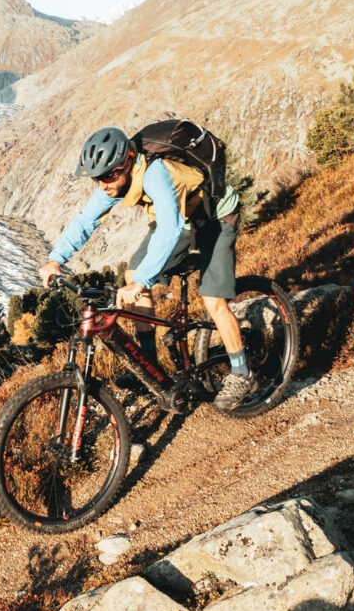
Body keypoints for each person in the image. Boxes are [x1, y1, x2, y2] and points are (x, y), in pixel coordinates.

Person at [36, 126, 251, 410]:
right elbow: (86, 220)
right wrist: (56, 259)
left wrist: (142, 281)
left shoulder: (155, 173)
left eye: (109, 175)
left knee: (212, 301)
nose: (104, 184)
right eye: (98, 178)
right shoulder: (115, 180)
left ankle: (242, 374)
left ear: (127, 161)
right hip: (181, 219)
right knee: (132, 274)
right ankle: (149, 370)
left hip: (215, 216)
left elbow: (169, 229)